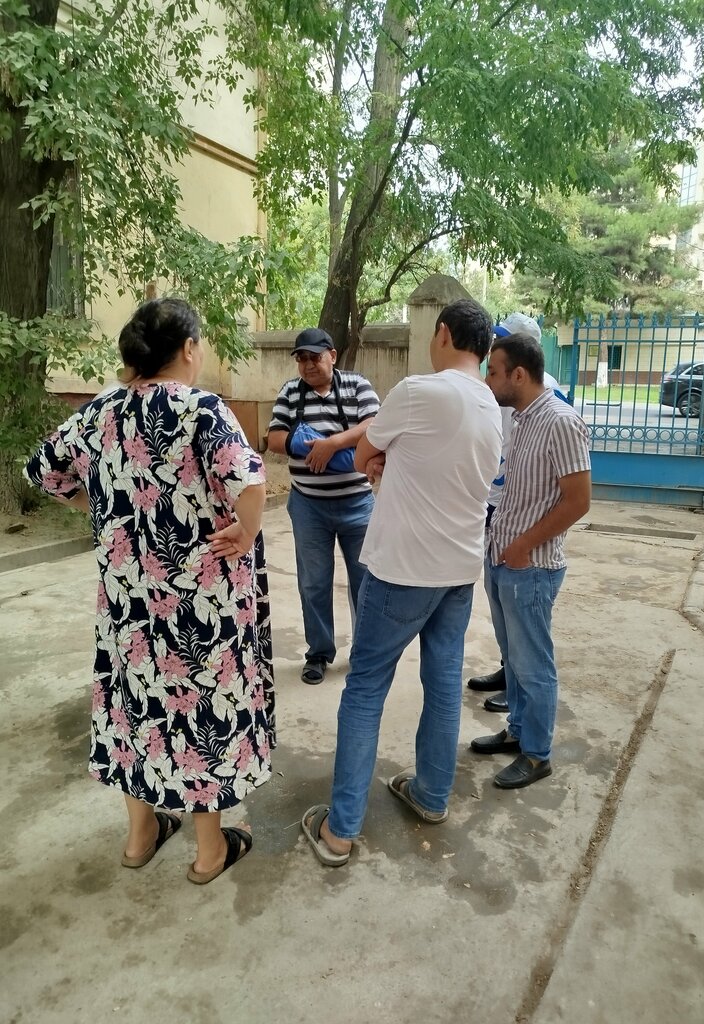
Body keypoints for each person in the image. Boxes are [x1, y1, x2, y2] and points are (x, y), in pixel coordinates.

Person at [24, 298, 275, 884]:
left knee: (136, 706)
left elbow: (43, 472)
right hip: (201, 602)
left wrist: (100, 506)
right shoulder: (202, 410)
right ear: (188, 348)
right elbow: (250, 482)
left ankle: (140, 836)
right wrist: (246, 532)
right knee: (202, 711)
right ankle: (209, 852)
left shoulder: (98, 411)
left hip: (129, 602)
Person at [300, 298, 502, 866]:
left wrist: (382, 462)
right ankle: (431, 795)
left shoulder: (418, 391)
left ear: (443, 334)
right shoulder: (491, 405)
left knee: (365, 689)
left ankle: (340, 830)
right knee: (443, 684)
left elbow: (364, 454)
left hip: (403, 570)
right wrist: (390, 463)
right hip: (459, 571)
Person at [470, 331, 591, 789]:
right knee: (515, 661)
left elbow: (578, 501)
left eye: (494, 371)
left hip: (532, 567)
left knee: (534, 666)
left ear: (518, 375)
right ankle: (519, 731)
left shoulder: (561, 421)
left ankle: (538, 754)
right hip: (503, 558)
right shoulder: (522, 420)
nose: (487, 379)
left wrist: (522, 545)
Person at [267, 328, 380, 685]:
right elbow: (273, 438)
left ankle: (364, 654)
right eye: (301, 359)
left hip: (358, 504)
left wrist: (333, 444)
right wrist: (306, 444)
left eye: (314, 357)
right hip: (308, 506)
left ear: (332, 355)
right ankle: (318, 652)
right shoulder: (290, 392)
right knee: (313, 583)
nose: (307, 365)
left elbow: (375, 425)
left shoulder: (358, 386)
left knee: (365, 583)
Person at [466, 313, 566, 711]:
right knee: (500, 603)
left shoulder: (546, 401)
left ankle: (520, 689)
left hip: (525, 517)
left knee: (524, 619)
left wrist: (527, 540)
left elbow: (570, 490)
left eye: (504, 342)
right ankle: (509, 670)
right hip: (498, 506)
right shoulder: (507, 395)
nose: (494, 350)